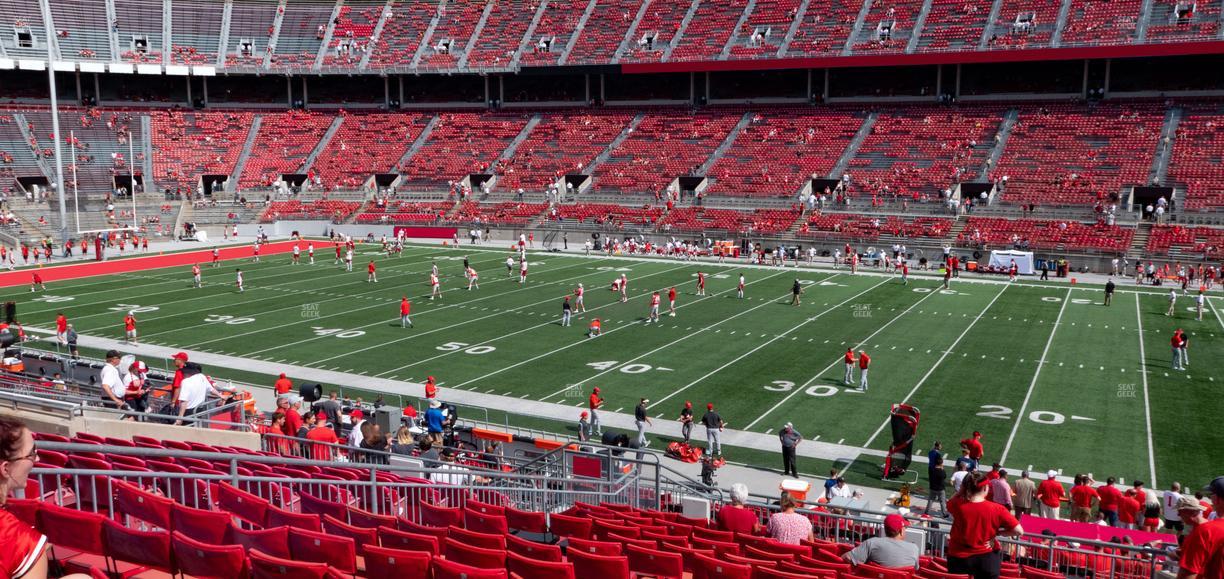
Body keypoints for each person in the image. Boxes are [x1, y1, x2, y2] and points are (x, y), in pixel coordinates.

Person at [0, 416, 92, 579]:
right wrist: (36, 552)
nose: (37, 458)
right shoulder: (21, 541)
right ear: (6, 469)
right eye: (31, 453)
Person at [946, 471, 1024, 579]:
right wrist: (997, 533)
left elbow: (950, 503)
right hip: (986, 558)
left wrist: (961, 490)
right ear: (984, 488)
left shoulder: (957, 504)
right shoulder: (997, 509)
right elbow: (1019, 531)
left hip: (958, 558)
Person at [1176, 477, 1224, 578]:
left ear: (1219, 499)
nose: (1210, 499)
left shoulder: (1206, 530)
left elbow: (1187, 575)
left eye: (1211, 495)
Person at [843, 514, 921, 570]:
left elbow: (846, 557)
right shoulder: (914, 548)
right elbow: (916, 569)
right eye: (904, 528)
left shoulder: (872, 543)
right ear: (901, 531)